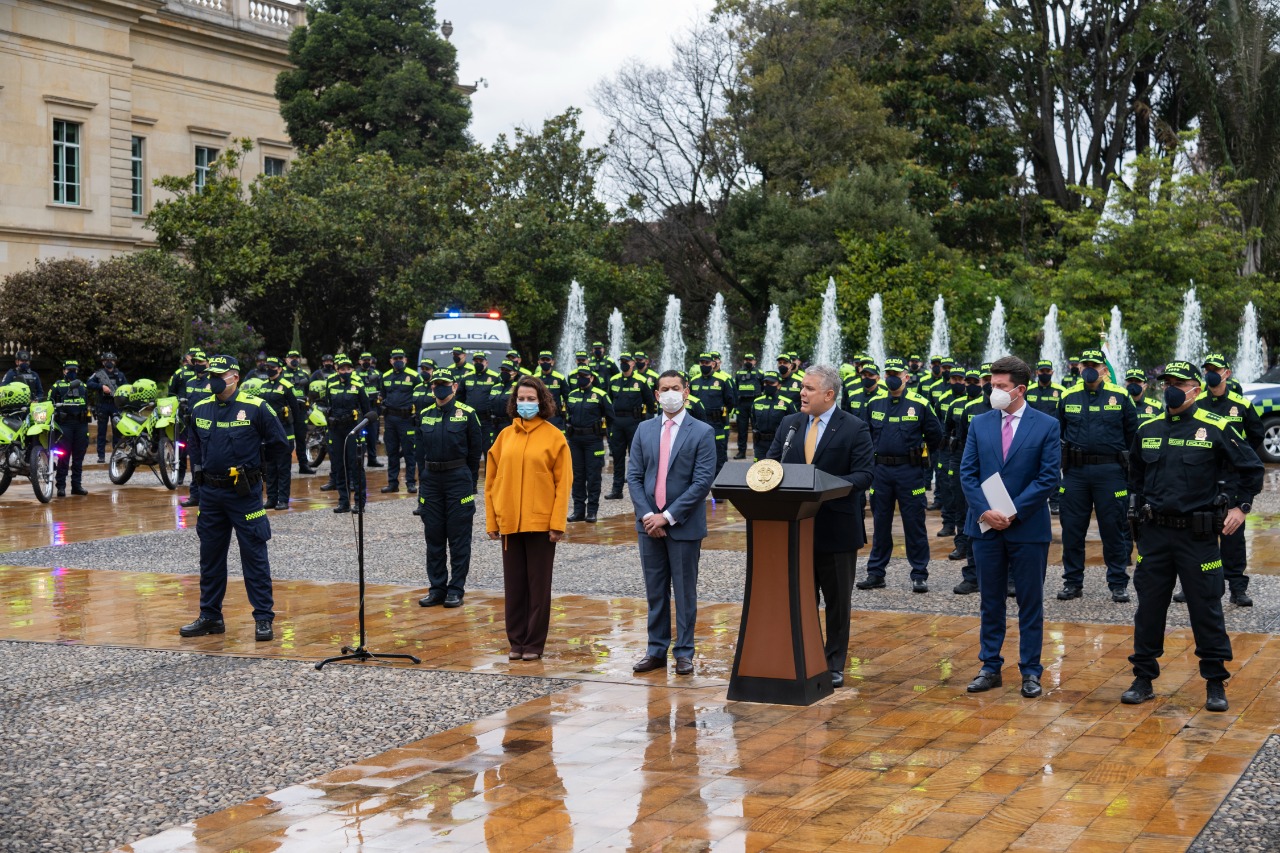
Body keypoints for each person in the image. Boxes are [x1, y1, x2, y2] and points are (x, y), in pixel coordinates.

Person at [1122, 361, 1264, 712]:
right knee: (1149, 607)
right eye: (1167, 382)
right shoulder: (1148, 428)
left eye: (1179, 383)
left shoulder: (1216, 427)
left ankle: (1215, 681)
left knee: (1206, 607)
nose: (1171, 388)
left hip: (1197, 537)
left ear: (1195, 390)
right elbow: (1135, 477)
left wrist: (1240, 508)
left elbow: (1251, 467)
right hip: (1155, 535)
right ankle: (1143, 677)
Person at [764, 364, 874, 685]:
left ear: (829, 394)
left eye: (809, 388)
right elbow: (772, 463)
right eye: (802, 387)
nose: (802, 392)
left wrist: (824, 486)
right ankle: (805, 655)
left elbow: (865, 474)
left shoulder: (854, 428)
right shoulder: (790, 424)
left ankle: (834, 661)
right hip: (797, 527)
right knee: (801, 598)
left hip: (836, 529)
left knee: (837, 602)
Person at [959, 356, 1061, 699]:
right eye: (992, 384)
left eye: (1001, 386)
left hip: (1028, 528)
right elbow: (967, 473)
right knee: (991, 601)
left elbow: (1048, 477)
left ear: (1020, 388)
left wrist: (1012, 511)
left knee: (1030, 603)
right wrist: (986, 511)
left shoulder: (1046, 425)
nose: (993, 390)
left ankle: (1031, 671)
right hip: (986, 528)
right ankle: (990, 666)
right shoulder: (980, 423)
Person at [179, 355, 290, 642]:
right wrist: (200, 476)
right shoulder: (200, 407)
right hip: (211, 495)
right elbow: (193, 445)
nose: (213, 378)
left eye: (219, 374)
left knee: (254, 556)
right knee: (210, 558)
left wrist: (257, 472)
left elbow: (279, 445)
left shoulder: (256, 408)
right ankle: (210, 616)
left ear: (235, 377)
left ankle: (263, 618)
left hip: (244, 494)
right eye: (210, 373)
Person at [627, 370, 717, 676]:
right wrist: (647, 516)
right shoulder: (644, 429)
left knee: (684, 591)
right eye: (664, 389)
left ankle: (684, 652)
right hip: (648, 525)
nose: (670, 393)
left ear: (686, 391)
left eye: (675, 388)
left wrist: (667, 516)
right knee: (655, 591)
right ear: (656, 395)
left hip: (683, 525)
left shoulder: (702, 431)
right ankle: (656, 650)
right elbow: (635, 476)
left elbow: (702, 481)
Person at [485, 376, 572, 660]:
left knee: (538, 587)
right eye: (521, 399)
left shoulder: (554, 437)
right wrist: (492, 521)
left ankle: (533, 644)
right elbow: (491, 482)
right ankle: (516, 641)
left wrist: (558, 524)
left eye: (531, 399)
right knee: (515, 587)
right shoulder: (504, 437)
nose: (525, 403)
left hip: (541, 526)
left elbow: (563, 483)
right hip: (510, 523)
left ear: (542, 401)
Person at [1056, 349, 1138, 603]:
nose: (1089, 368)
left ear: (1104, 369)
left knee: (1113, 528)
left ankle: (1117, 583)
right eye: (1085, 364)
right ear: (1079, 368)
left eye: (1095, 364)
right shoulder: (1068, 396)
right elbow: (1057, 433)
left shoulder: (1121, 396)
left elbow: (1133, 436)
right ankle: (1072, 582)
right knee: (1071, 529)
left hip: (1110, 472)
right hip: (1076, 473)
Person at [857, 358, 943, 592]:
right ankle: (876, 573)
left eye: (897, 373)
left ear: (906, 376)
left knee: (914, 523)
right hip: (881, 472)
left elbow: (936, 435)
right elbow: (865, 437)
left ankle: (919, 574)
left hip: (909, 471)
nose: (892, 377)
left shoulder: (920, 403)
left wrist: (920, 456)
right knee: (880, 523)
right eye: (888, 373)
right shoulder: (874, 403)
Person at [415, 373, 483, 607]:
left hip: (457, 479)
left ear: (454, 386)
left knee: (458, 538)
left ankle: (456, 589)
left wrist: (469, 482)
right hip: (431, 480)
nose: (439, 389)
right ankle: (437, 588)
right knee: (433, 536)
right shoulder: (425, 414)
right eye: (435, 385)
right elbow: (418, 454)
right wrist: (421, 486)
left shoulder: (467, 414)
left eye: (444, 385)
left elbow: (475, 453)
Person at [324, 355, 373, 514]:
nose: (345, 371)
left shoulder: (358, 385)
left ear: (352, 370)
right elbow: (328, 406)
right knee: (339, 466)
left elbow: (367, 411)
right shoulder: (331, 385)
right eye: (342, 369)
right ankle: (343, 501)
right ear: (337, 370)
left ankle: (359, 503)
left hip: (353, 430)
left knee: (356, 466)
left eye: (348, 369)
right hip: (336, 430)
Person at [565, 365, 614, 523]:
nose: (581, 378)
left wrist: (608, 435)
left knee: (593, 476)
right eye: (579, 375)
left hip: (593, 441)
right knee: (577, 476)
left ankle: (592, 511)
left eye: (585, 376)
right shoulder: (572, 395)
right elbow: (567, 415)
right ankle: (578, 511)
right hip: (575, 441)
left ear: (591, 378)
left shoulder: (600, 395)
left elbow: (611, 417)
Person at [605, 353, 656, 499]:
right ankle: (617, 490)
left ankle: (640, 491)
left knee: (637, 458)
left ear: (633, 363)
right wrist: (609, 425)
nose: (623, 364)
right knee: (618, 456)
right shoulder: (614, 380)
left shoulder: (641, 380)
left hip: (635, 423)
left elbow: (651, 404)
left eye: (626, 361)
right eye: (621, 361)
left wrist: (647, 424)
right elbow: (609, 403)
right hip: (617, 423)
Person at [1025, 359, 1066, 515]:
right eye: (1041, 371)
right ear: (1037, 373)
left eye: (1047, 371)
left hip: (1053, 438)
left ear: (1052, 373)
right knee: (1030, 469)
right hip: (1031, 437)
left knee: (1053, 470)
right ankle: (1033, 500)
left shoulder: (1061, 391)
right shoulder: (1029, 390)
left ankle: (1055, 502)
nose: (1044, 374)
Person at [255, 358, 296, 510]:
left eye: (272, 367)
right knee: (270, 468)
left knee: (283, 468)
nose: (270, 369)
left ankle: (283, 499)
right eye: (268, 367)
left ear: (279, 369)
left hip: (285, 433)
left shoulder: (287, 386)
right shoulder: (263, 386)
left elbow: (296, 411)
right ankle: (271, 498)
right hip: (268, 434)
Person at [379, 348, 421, 494]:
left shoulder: (414, 376)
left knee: (409, 452)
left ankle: (410, 482)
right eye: (395, 359)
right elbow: (382, 396)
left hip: (406, 419)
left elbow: (420, 396)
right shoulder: (385, 376)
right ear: (391, 361)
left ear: (405, 360)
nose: (398, 361)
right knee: (392, 452)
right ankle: (392, 483)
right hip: (390, 419)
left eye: (400, 358)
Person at [49, 359, 91, 496]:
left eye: (74, 370)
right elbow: (50, 405)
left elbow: (87, 405)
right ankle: (61, 487)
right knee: (64, 456)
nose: (72, 372)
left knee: (79, 457)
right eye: (69, 370)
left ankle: (76, 486)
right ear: (63, 371)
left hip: (80, 424)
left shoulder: (82, 386)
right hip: (64, 425)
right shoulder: (57, 386)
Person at [690, 352, 736, 475]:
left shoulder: (723, 380)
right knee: (699, 453)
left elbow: (731, 401)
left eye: (707, 362)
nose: (704, 365)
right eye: (702, 362)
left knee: (719, 454)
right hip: (698, 424)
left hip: (717, 424)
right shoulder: (694, 381)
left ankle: (719, 484)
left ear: (712, 363)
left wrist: (722, 416)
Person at [178, 352, 210, 507]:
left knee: (209, 462)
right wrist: (183, 409)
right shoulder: (190, 382)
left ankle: (208, 495)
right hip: (192, 428)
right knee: (195, 460)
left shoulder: (213, 381)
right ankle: (195, 495)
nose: (198, 364)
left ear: (208, 363)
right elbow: (184, 401)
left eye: (201, 362)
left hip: (209, 427)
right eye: (195, 362)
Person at [88, 351, 126, 463]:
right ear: (103, 362)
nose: (109, 362)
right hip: (102, 404)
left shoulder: (120, 375)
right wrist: (101, 386)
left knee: (117, 430)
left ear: (115, 362)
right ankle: (101, 456)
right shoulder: (98, 374)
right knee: (101, 431)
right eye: (107, 361)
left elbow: (127, 387)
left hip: (116, 404)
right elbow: (89, 384)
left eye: (112, 360)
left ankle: (117, 453)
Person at [751, 371, 794, 460]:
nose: (768, 385)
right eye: (766, 383)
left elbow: (793, 425)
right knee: (759, 470)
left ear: (779, 385)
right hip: (760, 444)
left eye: (772, 383)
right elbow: (753, 422)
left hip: (778, 443)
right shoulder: (757, 402)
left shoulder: (787, 403)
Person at [284, 350, 315, 474]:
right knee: (287, 439)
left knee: (301, 439)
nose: (294, 360)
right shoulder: (282, 373)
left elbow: (307, 390)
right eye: (292, 357)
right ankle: (286, 467)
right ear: (286, 360)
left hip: (301, 410)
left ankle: (303, 465)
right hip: (287, 411)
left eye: (297, 357)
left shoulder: (304, 374)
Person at [732, 353, 762, 459]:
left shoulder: (759, 373)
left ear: (754, 361)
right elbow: (735, 388)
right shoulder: (739, 372)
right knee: (742, 429)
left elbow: (763, 387)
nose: (748, 362)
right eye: (746, 360)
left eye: (750, 360)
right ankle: (741, 452)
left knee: (756, 429)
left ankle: (757, 452)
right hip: (742, 403)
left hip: (755, 402)